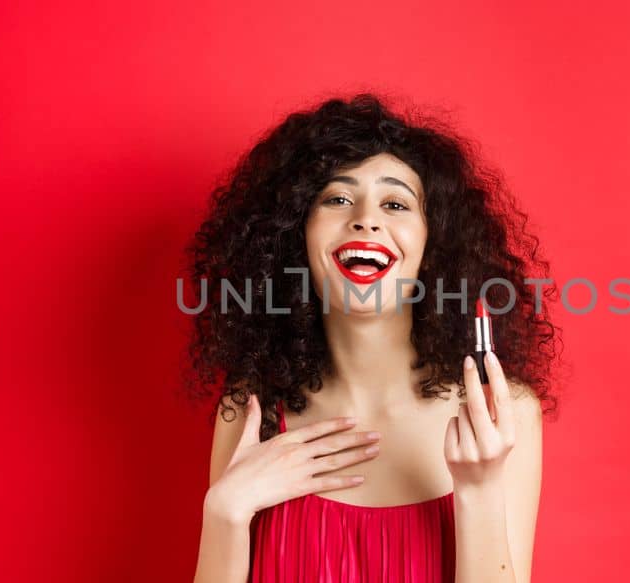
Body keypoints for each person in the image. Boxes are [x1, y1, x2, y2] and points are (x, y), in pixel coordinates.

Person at [188, 93, 559, 583]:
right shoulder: (252, 411)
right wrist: (226, 512)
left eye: (395, 203)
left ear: (433, 246)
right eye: (337, 199)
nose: (366, 218)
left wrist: (480, 489)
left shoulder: (499, 413)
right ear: (295, 234)